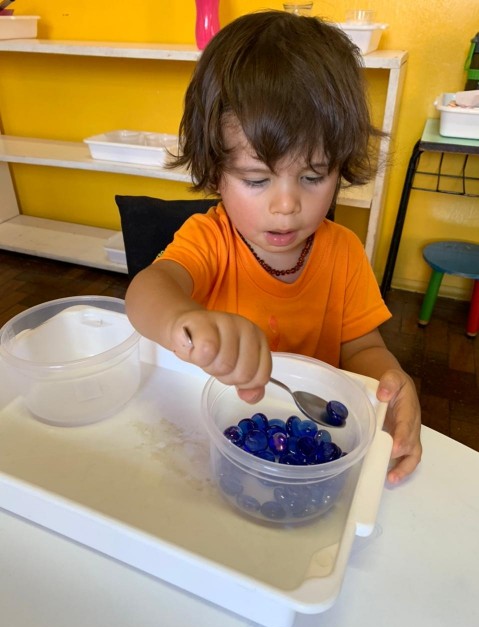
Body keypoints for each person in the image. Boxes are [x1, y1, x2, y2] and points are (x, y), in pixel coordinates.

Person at [125, 10, 422, 484]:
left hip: (310, 452)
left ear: (340, 168)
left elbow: (363, 347)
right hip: (211, 437)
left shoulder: (344, 252)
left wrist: (390, 384)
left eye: (313, 176)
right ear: (215, 173)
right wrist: (184, 321)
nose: (287, 206)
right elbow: (146, 291)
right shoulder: (211, 239)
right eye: (257, 179)